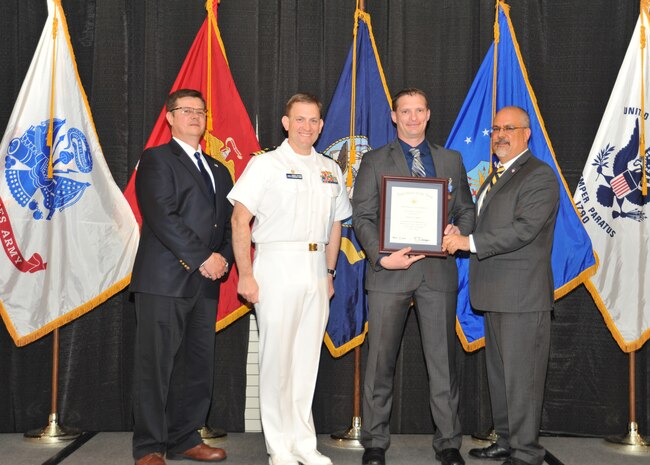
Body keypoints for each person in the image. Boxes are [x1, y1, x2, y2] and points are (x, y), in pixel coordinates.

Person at [352, 88, 475, 465]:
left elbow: (466, 211)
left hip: (437, 274)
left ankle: (449, 442)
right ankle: (375, 442)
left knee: (442, 362)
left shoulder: (450, 160)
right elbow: (363, 217)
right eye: (405, 111)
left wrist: (456, 234)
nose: (412, 117)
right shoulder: (374, 161)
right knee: (380, 362)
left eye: (418, 110)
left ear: (428, 114)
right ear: (394, 116)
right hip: (389, 273)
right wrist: (380, 256)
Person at [228, 93, 352, 465]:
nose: (307, 127)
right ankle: (278, 446)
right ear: (286, 122)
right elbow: (239, 221)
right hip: (276, 265)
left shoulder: (330, 168)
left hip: (315, 268)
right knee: (277, 359)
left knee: (305, 361)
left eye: (314, 120)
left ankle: (303, 443)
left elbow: (336, 225)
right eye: (300, 119)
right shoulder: (265, 164)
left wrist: (329, 274)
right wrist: (246, 274)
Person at [442, 106, 559, 465]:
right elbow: (487, 223)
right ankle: (507, 440)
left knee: (522, 380)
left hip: (522, 296)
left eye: (509, 128)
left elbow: (523, 230)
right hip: (495, 293)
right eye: (495, 129)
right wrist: (459, 232)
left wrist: (469, 244)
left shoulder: (539, 176)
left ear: (527, 133)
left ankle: (526, 453)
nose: (500, 134)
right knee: (502, 377)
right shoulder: (497, 175)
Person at [129, 89, 232, 465]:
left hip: (206, 282)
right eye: (185, 110)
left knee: (197, 366)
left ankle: (185, 438)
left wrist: (223, 257)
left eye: (200, 111)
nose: (194, 116)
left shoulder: (220, 169)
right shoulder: (156, 159)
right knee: (156, 368)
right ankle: (150, 447)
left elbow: (232, 224)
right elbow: (162, 216)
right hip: (163, 282)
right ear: (169, 117)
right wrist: (204, 257)